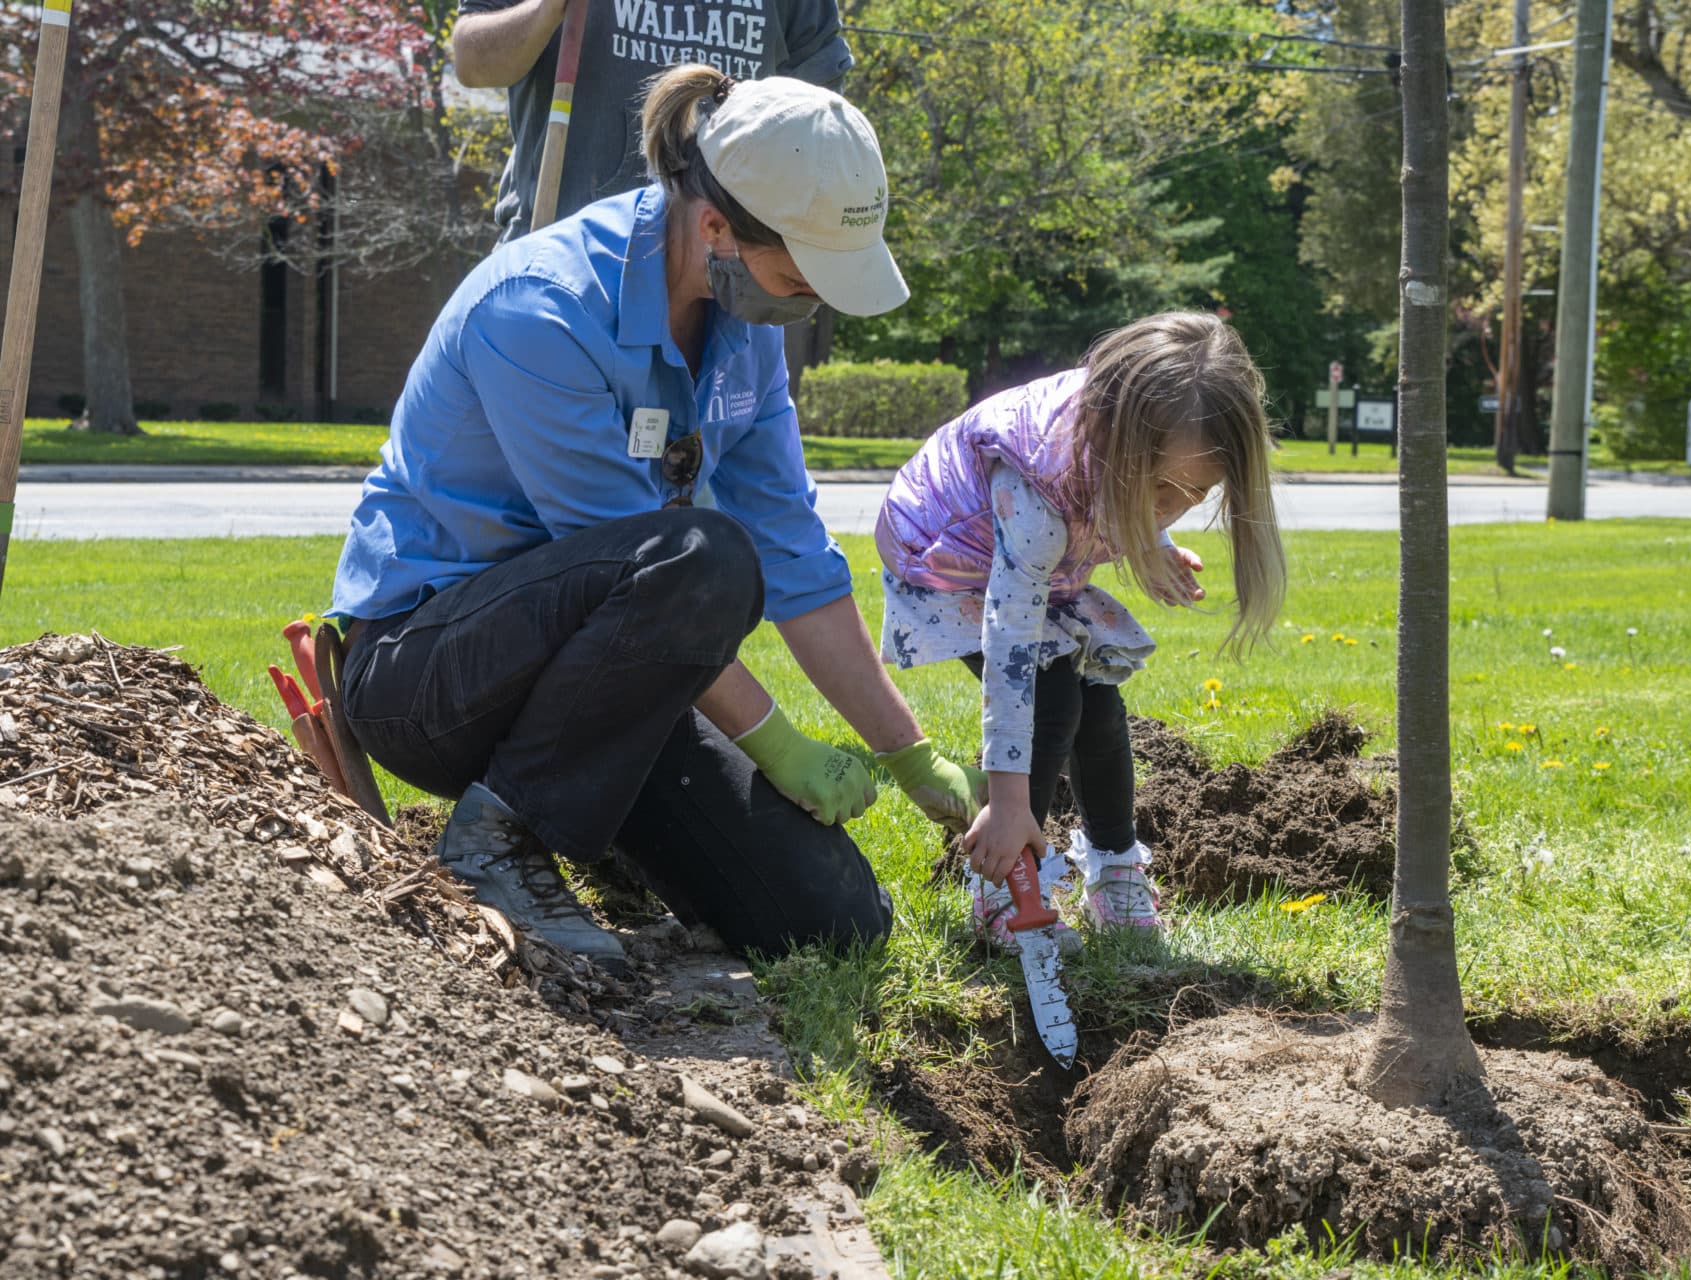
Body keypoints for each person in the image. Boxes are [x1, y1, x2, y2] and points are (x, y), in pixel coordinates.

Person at [330, 68, 982, 977]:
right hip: (428, 675)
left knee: (834, 920)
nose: (811, 303)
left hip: (605, 691)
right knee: (703, 555)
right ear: (716, 226)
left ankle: (591, 828)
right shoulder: (540, 310)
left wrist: (908, 755)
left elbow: (795, 557)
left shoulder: (740, 326)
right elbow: (646, 562)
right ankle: (497, 845)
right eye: (800, 274)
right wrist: (778, 745)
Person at [874, 313, 1286, 944]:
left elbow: (1136, 496)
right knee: (1050, 701)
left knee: (1098, 708)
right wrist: (1009, 804)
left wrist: (1156, 539)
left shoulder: (1135, 437)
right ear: (1110, 435)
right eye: (1156, 490)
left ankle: (1115, 868)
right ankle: (1003, 885)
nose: (1168, 508)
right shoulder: (1039, 491)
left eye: (1192, 495)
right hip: (950, 558)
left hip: (1030, 559)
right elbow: (1010, 642)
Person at [451, 0, 853, 243]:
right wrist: (544, 10)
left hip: (724, 277)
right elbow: (473, 63)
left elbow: (816, 110)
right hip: (566, 265)